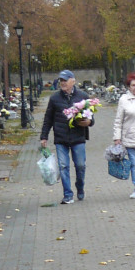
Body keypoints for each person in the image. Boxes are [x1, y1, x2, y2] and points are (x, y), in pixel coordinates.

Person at [40, 70, 94, 204]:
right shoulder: (54, 98)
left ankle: (80, 187)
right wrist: (44, 136)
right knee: (63, 166)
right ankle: (68, 195)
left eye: (65, 80)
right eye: (61, 80)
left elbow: (91, 117)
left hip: (78, 137)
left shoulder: (83, 96)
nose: (63, 83)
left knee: (80, 165)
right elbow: (48, 119)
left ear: (73, 81)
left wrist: (89, 122)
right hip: (61, 138)